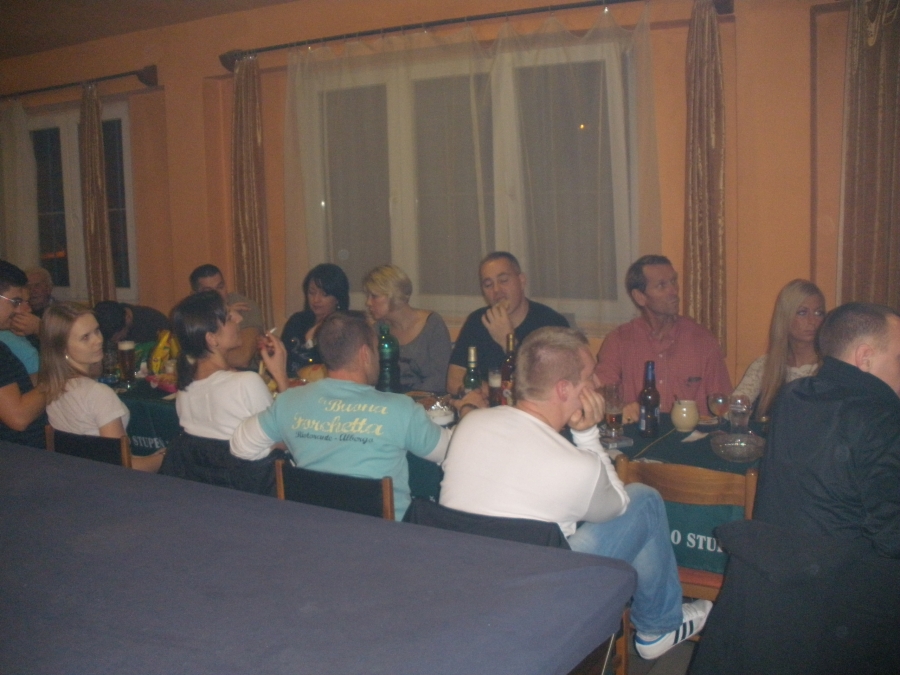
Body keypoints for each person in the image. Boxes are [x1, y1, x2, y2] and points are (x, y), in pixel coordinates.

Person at [440, 326, 712, 660]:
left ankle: (657, 620)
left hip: (467, 587)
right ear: (564, 389)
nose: (596, 384)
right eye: (589, 377)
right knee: (643, 500)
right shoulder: (573, 466)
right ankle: (659, 626)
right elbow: (619, 505)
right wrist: (587, 436)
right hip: (541, 600)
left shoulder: (470, 425)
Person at [691, 303, 900, 675]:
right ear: (865, 358)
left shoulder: (794, 396)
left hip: (768, 593)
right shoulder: (883, 418)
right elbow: (892, 535)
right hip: (841, 607)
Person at [231, 311, 482, 520]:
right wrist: (470, 412)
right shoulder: (400, 410)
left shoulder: (289, 402)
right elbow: (455, 451)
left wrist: (286, 441)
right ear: (364, 354)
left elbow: (240, 446)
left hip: (314, 536)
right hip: (387, 545)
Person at [159, 290, 288, 492]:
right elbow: (288, 436)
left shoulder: (185, 390)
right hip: (258, 494)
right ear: (212, 338)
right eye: (229, 317)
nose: (239, 319)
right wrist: (280, 375)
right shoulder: (245, 383)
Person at [595, 254, 731, 421]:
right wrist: (622, 408)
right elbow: (600, 392)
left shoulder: (703, 341)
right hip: (637, 432)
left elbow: (723, 403)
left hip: (691, 434)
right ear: (640, 297)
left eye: (673, 281)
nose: (673, 291)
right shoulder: (619, 341)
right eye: (661, 285)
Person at [38, 302, 164, 472]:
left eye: (97, 331)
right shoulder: (98, 394)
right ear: (62, 348)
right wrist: (167, 457)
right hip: (105, 480)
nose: (98, 340)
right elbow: (121, 467)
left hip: (74, 474)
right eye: (85, 337)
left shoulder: (52, 387)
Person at [447, 252, 569, 396]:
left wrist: (508, 342)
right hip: (487, 405)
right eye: (488, 285)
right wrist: (486, 393)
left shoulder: (551, 323)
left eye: (503, 280)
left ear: (521, 281)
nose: (496, 290)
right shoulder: (477, 321)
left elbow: (548, 386)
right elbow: (453, 379)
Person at [732, 279, 825, 418]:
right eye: (802, 312)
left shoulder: (830, 367)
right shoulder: (765, 366)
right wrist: (740, 406)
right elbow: (732, 410)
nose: (812, 321)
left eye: (818, 313)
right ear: (785, 317)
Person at [364, 264, 452, 393]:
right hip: (389, 401)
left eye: (374, 296)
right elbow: (371, 377)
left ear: (393, 295)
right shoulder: (377, 330)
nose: (368, 302)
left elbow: (440, 378)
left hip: (427, 400)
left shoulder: (432, 325)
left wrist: (410, 399)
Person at [0, 260, 46, 448]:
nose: (22, 310)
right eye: (16, 302)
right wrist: (57, 379)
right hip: (19, 455)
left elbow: (21, 384)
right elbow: (18, 418)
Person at [189, 264, 264, 369]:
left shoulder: (244, 307)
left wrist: (195, 358)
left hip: (244, 373)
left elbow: (242, 358)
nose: (217, 295)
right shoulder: (190, 313)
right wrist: (220, 313)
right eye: (209, 291)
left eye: (220, 287)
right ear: (195, 295)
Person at [281, 263, 349, 376]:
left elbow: (332, 367)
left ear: (338, 298)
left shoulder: (343, 327)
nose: (316, 300)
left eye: (324, 294)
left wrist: (311, 343)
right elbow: (283, 357)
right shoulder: (297, 321)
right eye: (311, 293)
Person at [94, 300, 171, 345]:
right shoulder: (106, 319)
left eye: (119, 338)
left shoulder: (154, 322)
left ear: (127, 319)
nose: (116, 342)